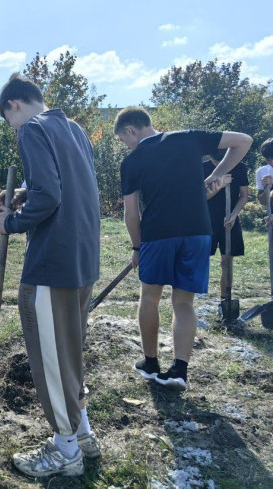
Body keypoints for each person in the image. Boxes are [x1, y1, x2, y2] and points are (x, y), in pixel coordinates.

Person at [0, 75, 101, 478]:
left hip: (52, 263)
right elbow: (65, 186)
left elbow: (51, 196)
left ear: (14, 106)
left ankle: (66, 450)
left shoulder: (31, 130)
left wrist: (12, 221)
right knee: (70, 350)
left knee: (52, 358)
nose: (13, 129)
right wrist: (24, 192)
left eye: (10, 120)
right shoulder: (72, 128)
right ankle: (83, 432)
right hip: (83, 257)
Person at [114, 107, 251, 393]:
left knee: (150, 298)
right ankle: (179, 371)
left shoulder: (132, 162)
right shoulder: (188, 138)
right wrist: (217, 173)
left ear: (130, 130)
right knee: (184, 302)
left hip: (157, 234)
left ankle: (150, 363)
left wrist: (137, 247)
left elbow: (130, 213)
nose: (126, 145)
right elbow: (244, 141)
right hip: (198, 232)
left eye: (123, 140)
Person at [203, 149, 248, 320]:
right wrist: (219, 184)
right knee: (201, 258)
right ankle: (189, 297)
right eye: (214, 162)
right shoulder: (203, 168)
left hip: (230, 219)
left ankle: (225, 299)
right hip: (207, 220)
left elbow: (244, 196)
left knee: (227, 261)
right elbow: (200, 197)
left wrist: (234, 214)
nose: (217, 165)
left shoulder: (239, 168)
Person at [255, 138, 273, 207]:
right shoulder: (262, 171)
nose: (272, 162)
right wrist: (267, 188)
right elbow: (263, 202)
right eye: (269, 160)